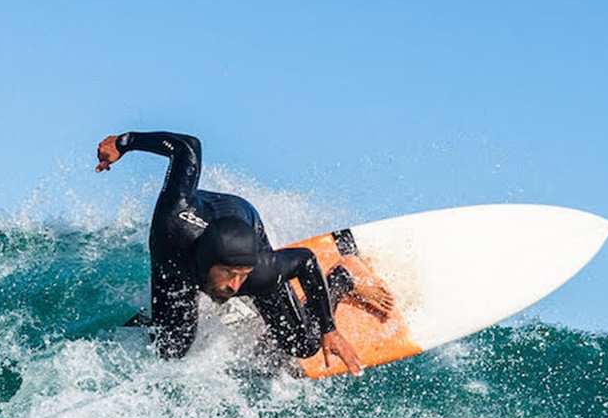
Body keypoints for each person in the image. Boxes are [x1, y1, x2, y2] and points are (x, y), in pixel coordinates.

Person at [95, 130, 391, 374]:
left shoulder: (257, 271)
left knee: (303, 345)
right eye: (229, 274)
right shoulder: (172, 221)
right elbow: (187, 147)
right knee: (170, 350)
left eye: (242, 276)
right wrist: (124, 142)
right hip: (186, 247)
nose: (236, 286)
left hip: (245, 223)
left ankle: (342, 278)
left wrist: (329, 329)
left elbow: (305, 260)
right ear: (208, 262)